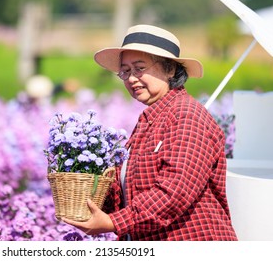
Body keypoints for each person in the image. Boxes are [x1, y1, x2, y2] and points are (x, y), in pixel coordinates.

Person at [62, 24, 238, 241]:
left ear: (170, 69)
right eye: (125, 71)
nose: (132, 78)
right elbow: (130, 191)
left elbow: (175, 192)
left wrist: (113, 222)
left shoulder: (187, 116)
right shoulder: (150, 119)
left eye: (140, 68)